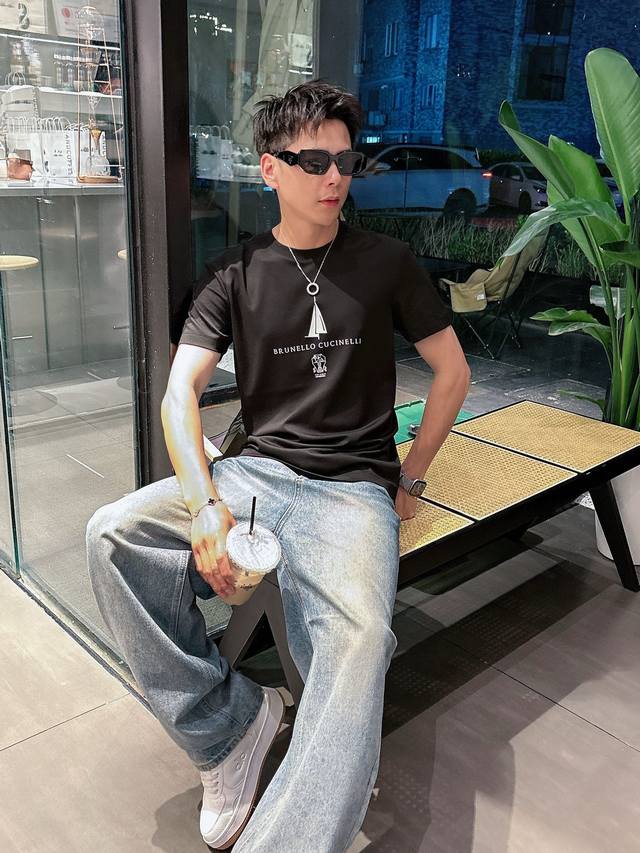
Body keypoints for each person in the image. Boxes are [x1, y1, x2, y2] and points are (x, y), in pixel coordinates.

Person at [86, 79, 471, 852]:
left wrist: (413, 475)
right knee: (112, 535)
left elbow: (453, 372)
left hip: (354, 491)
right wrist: (205, 505)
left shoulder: (387, 262)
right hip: (253, 477)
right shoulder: (234, 271)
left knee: (359, 641)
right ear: (270, 169)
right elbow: (179, 395)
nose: (334, 178)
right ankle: (227, 727)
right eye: (314, 161)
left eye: (346, 162)